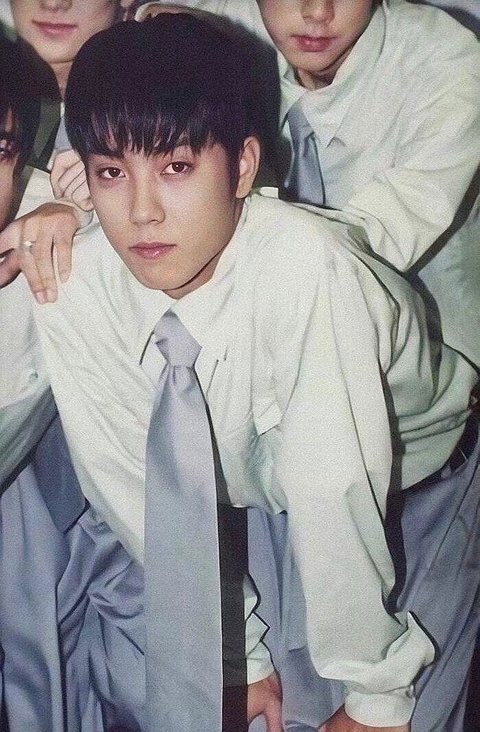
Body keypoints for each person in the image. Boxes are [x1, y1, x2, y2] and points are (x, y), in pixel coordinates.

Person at [4, 12, 480, 731]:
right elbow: (133, 485)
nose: (141, 213)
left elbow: (335, 483)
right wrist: (240, 654)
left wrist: (376, 691)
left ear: (245, 167)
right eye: (111, 173)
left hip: (415, 480)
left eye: (176, 168)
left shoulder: (304, 268)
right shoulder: (72, 283)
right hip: (256, 487)